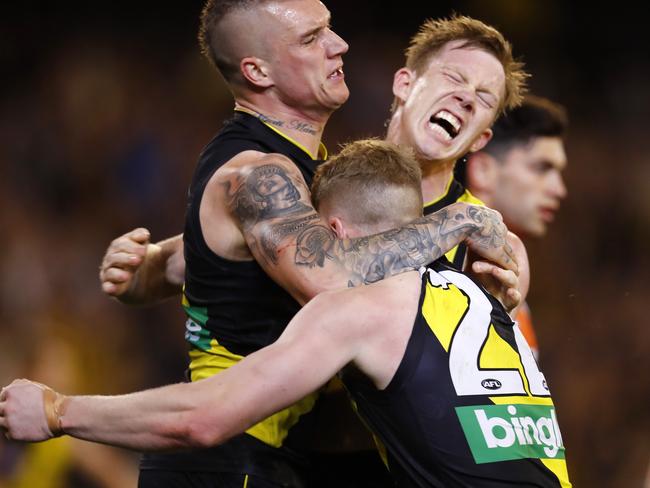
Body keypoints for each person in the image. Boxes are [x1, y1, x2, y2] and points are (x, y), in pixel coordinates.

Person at [96, 9, 525, 485]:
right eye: (453, 77)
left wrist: (494, 314)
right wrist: (149, 266)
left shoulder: (489, 249)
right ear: (404, 83)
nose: (465, 97)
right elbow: (291, 260)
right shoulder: (323, 184)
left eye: (484, 97)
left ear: (483, 136)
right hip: (251, 453)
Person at [1, 139, 571, 487]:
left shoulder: (358, 310)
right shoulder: (478, 296)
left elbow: (205, 417)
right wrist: (156, 266)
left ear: (333, 232)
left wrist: (58, 411)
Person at [456, 95, 568, 356]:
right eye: (542, 168)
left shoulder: (509, 281)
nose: (559, 189)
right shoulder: (443, 273)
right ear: (483, 170)